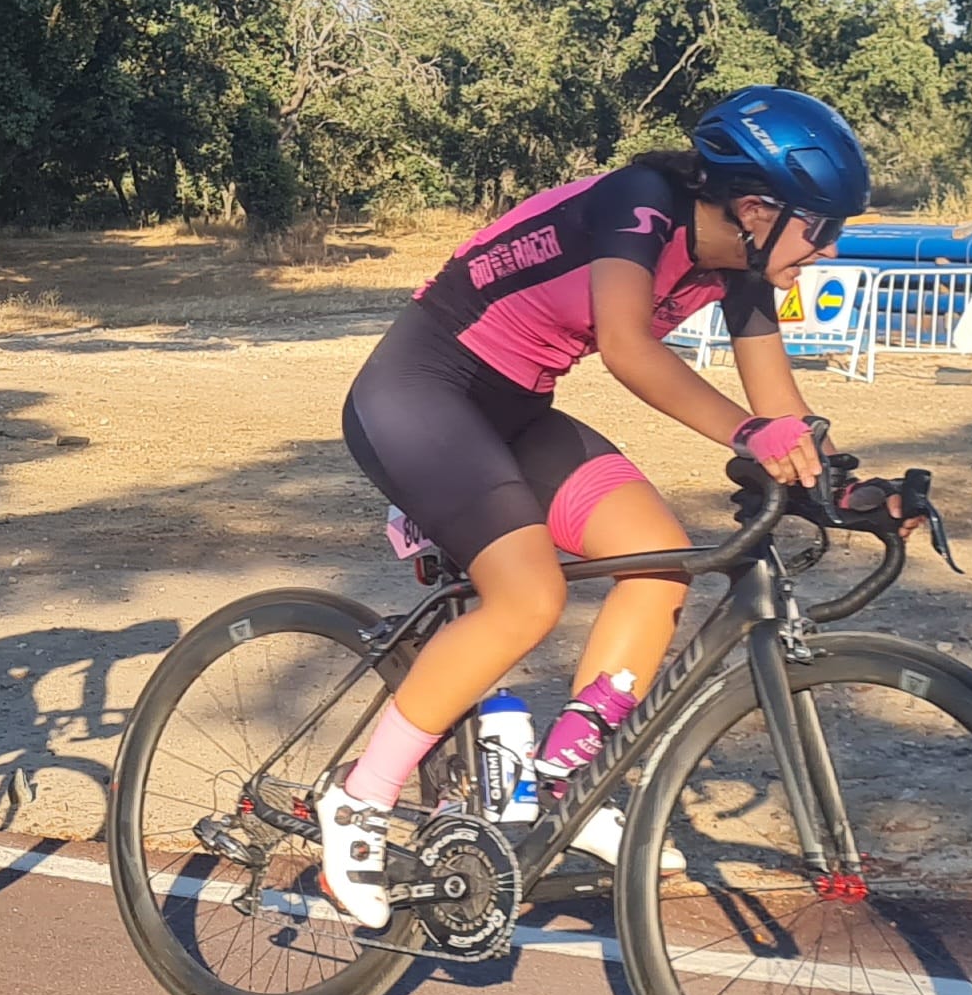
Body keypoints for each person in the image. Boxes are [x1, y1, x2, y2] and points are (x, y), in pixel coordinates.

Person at [323, 86, 894, 926]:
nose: (831, 251)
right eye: (822, 228)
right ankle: (360, 801)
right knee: (530, 597)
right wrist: (746, 433)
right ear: (756, 205)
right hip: (422, 391)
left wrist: (850, 488)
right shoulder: (641, 204)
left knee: (661, 564)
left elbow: (783, 413)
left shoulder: (741, 263)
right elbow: (627, 347)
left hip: (515, 413)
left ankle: (562, 789)